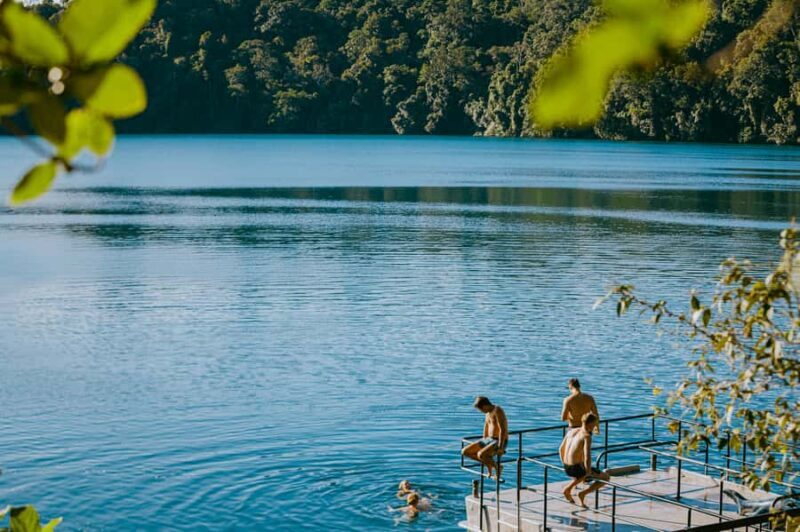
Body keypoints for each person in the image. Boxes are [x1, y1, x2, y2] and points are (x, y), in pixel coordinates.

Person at [559, 412, 610, 506]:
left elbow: (560, 449)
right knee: (606, 477)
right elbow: (587, 456)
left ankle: (571, 488)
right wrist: (588, 472)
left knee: (582, 473)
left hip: (566, 467)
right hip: (576, 469)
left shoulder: (571, 431)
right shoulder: (586, 436)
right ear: (590, 424)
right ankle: (578, 492)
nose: (595, 426)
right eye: (595, 424)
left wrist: (565, 463)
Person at [461, 396, 508, 479]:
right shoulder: (487, 413)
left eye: (481, 409)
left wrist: (500, 447)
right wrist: (483, 441)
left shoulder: (498, 410)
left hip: (498, 440)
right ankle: (490, 465)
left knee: (481, 454)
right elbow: (486, 428)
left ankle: (497, 467)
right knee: (465, 451)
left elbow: (503, 429)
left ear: (485, 405)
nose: (481, 411)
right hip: (488, 440)